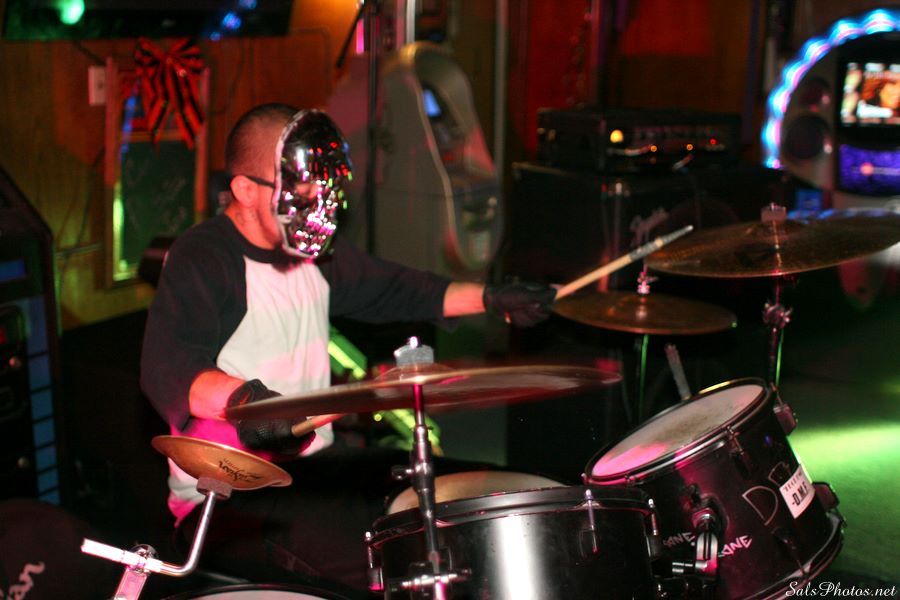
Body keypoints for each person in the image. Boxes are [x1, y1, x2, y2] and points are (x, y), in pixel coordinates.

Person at [139, 103, 556, 592]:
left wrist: (491, 298)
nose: (316, 201)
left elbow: (398, 289)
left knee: (487, 503)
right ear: (246, 190)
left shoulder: (308, 253)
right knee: (398, 561)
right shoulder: (205, 256)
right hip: (230, 496)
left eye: (321, 186)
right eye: (299, 190)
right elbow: (170, 366)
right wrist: (250, 403)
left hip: (318, 467)